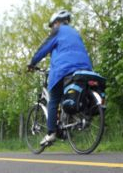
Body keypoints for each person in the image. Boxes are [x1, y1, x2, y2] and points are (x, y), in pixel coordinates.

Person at [27, 10, 92, 146]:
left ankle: (51, 133)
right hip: (84, 68)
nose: (52, 28)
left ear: (56, 22)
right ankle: (69, 122)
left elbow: (44, 48)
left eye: (52, 25)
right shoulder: (75, 32)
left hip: (64, 69)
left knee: (53, 99)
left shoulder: (57, 31)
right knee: (68, 95)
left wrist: (32, 63)